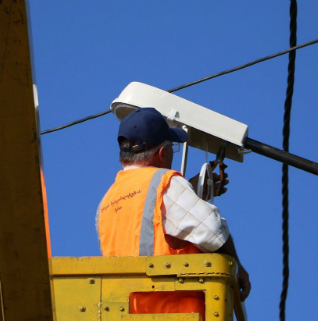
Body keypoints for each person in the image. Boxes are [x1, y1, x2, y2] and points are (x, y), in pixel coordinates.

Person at [96, 107, 251, 299]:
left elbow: (147, 224)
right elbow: (212, 231)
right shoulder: (164, 182)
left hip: (127, 310)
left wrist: (191, 191)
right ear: (162, 153)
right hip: (170, 309)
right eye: (171, 145)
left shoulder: (107, 202)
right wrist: (238, 268)